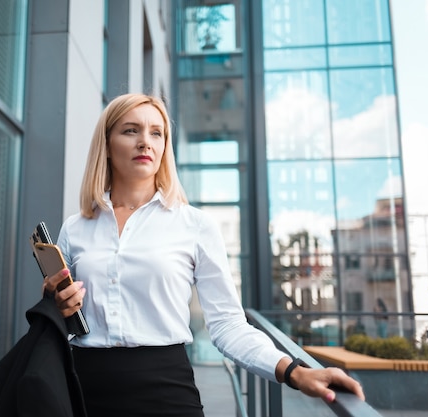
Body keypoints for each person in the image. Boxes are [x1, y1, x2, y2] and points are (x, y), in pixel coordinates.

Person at [43, 93, 364, 417]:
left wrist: (295, 371)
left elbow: (227, 325)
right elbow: (66, 321)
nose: (145, 142)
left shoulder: (194, 225)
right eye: (130, 131)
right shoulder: (75, 228)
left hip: (166, 391)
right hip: (83, 391)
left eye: (156, 133)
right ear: (107, 145)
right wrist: (55, 306)